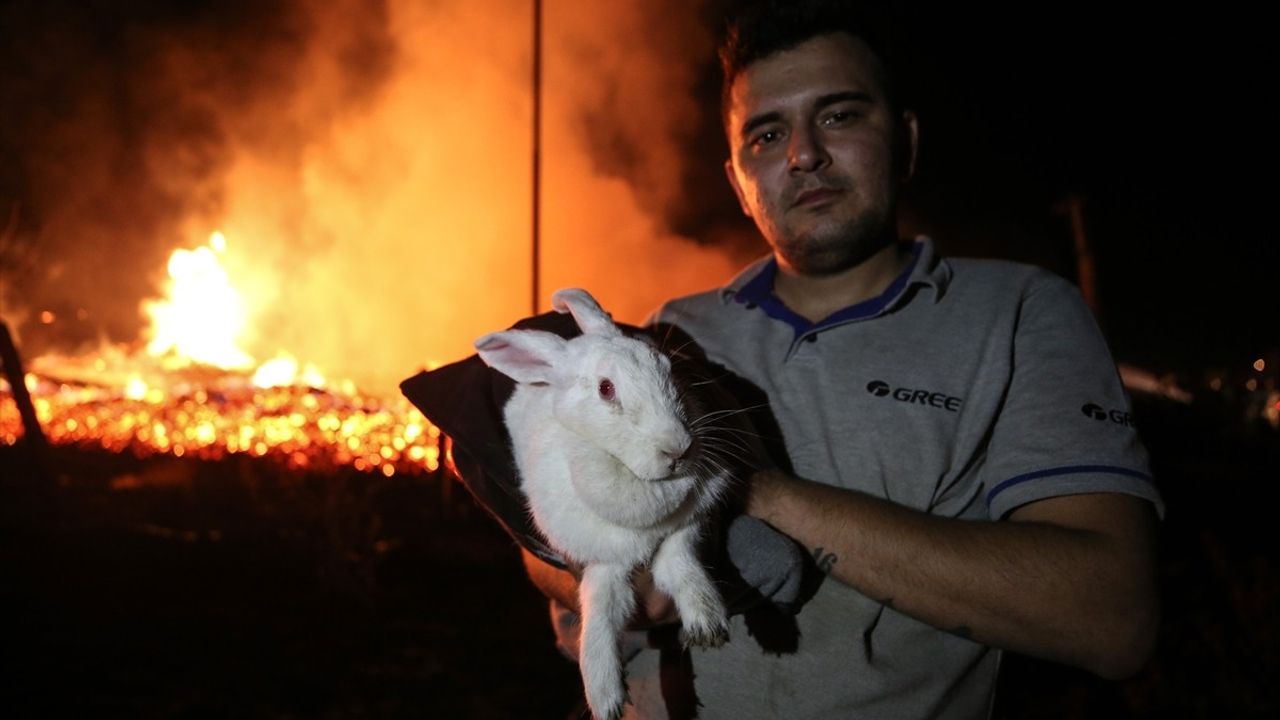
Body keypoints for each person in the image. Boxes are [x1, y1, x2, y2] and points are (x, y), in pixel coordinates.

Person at [519, 2, 1163, 717]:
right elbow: (589, 567)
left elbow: (1112, 621)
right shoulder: (673, 334)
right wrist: (557, 534)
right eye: (767, 133)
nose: (803, 154)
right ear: (737, 178)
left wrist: (750, 487)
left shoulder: (1018, 314)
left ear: (907, 140)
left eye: (840, 116)